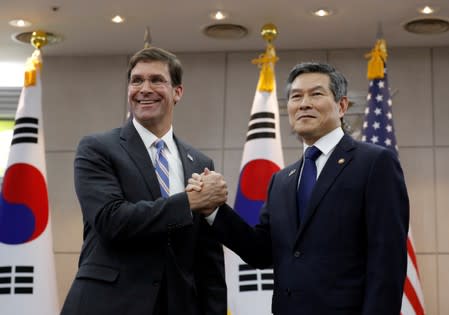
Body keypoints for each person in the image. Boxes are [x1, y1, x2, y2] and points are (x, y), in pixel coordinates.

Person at [189, 62, 409, 315]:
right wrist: (213, 209)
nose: (304, 104)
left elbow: (387, 260)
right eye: (296, 97)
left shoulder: (374, 163)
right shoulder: (282, 180)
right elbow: (261, 251)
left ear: (342, 105)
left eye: (316, 94)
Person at [60, 47, 228, 315]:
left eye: (156, 80)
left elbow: (207, 259)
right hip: (108, 305)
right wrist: (189, 202)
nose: (144, 88)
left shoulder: (200, 163)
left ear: (178, 92)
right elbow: (111, 220)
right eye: (136, 80)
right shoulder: (97, 148)